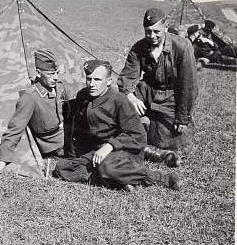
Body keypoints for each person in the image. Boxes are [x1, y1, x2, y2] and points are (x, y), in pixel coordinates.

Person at [54, 59, 179, 191]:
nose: (91, 84)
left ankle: (157, 177)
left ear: (108, 81)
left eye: (97, 80)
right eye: (89, 79)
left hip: (122, 151)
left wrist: (110, 146)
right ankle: (113, 181)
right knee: (62, 168)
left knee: (107, 167)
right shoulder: (83, 96)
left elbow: (137, 134)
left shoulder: (119, 100)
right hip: (96, 152)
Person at [117, 8, 198, 165]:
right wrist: (130, 96)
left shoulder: (182, 46)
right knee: (122, 114)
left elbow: (189, 85)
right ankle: (144, 131)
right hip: (146, 91)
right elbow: (127, 76)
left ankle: (149, 138)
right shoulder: (139, 47)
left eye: (156, 31)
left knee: (170, 139)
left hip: (172, 97)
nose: (152, 36)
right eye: (147, 31)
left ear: (166, 27)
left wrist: (182, 117)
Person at [0, 49, 71, 173]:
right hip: (52, 143)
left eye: (57, 73)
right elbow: (15, 129)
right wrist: (0, 164)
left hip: (68, 133)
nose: (55, 78)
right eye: (51, 74)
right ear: (39, 73)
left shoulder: (60, 87)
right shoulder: (30, 97)